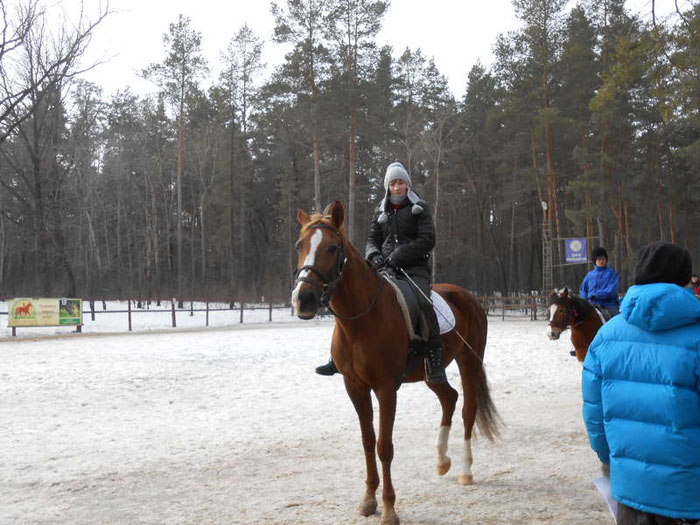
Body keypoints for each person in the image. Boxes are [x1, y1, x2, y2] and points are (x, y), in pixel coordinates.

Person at [582, 241, 700, 525]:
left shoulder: (606, 334)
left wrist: (611, 459)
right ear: (685, 278)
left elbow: (594, 414)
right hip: (688, 495)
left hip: (629, 490)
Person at [315, 162, 447, 383]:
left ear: (407, 184)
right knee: (355, 299)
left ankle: (434, 356)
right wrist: (374, 254)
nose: (397, 187)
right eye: (393, 183)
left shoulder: (420, 208)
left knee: (423, 302)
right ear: (388, 186)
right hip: (384, 266)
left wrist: (401, 255)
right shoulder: (380, 209)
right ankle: (337, 356)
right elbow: (372, 239)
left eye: (400, 182)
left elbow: (427, 239)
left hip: (414, 269)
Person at [579, 246, 620, 317]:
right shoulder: (589, 275)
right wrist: (584, 302)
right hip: (591, 305)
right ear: (595, 261)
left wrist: (596, 295)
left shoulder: (612, 273)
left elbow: (612, 290)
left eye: (603, 259)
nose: (602, 261)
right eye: (599, 259)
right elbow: (583, 290)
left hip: (608, 305)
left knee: (616, 320)